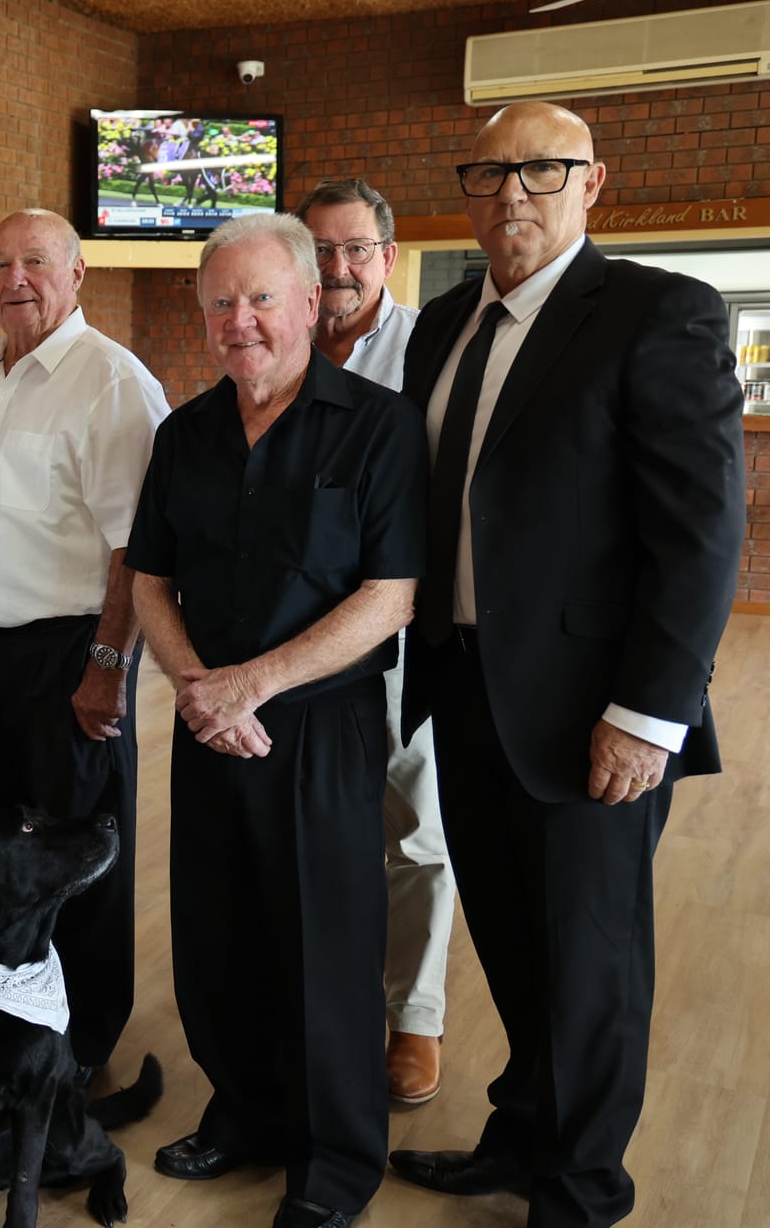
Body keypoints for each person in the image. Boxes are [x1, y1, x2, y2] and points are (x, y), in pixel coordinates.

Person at [389, 101, 744, 1228]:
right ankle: (526, 1132)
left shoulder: (655, 312)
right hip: (464, 692)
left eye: (540, 170)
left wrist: (648, 714)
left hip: (592, 711)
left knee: (588, 964)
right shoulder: (442, 322)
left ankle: (581, 1190)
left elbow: (698, 533)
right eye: (488, 173)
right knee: (508, 936)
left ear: (591, 183)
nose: (511, 194)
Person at [127, 213, 426, 1228]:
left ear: (310, 302)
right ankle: (245, 1110)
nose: (240, 321)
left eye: (260, 298)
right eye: (220, 302)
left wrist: (251, 682)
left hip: (319, 728)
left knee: (324, 943)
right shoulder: (184, 434)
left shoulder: (378, 426)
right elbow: (148, 581)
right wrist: (196, 687)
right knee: (217, 932)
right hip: (206, 718)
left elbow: (388, 596)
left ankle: (335, 1159)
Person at [0, 208, 167, 1083]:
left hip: (69, 658)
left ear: (78, 275)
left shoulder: (113, 382)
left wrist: (109, 666)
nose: (15, 279)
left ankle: (80, 1045)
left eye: (36, 261)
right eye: (0, 263)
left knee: (77, 857)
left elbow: (138, 550)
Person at [295, 177, 454, 1107]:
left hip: (399, 628)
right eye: (321, 251)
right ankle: (325, 1006)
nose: (340, 269)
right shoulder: (277, 343)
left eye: (356, 249)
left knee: (418, 831)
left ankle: (417, 1018)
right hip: (297, 639)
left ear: (388, 258)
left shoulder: (430, 349)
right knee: (318, 831)